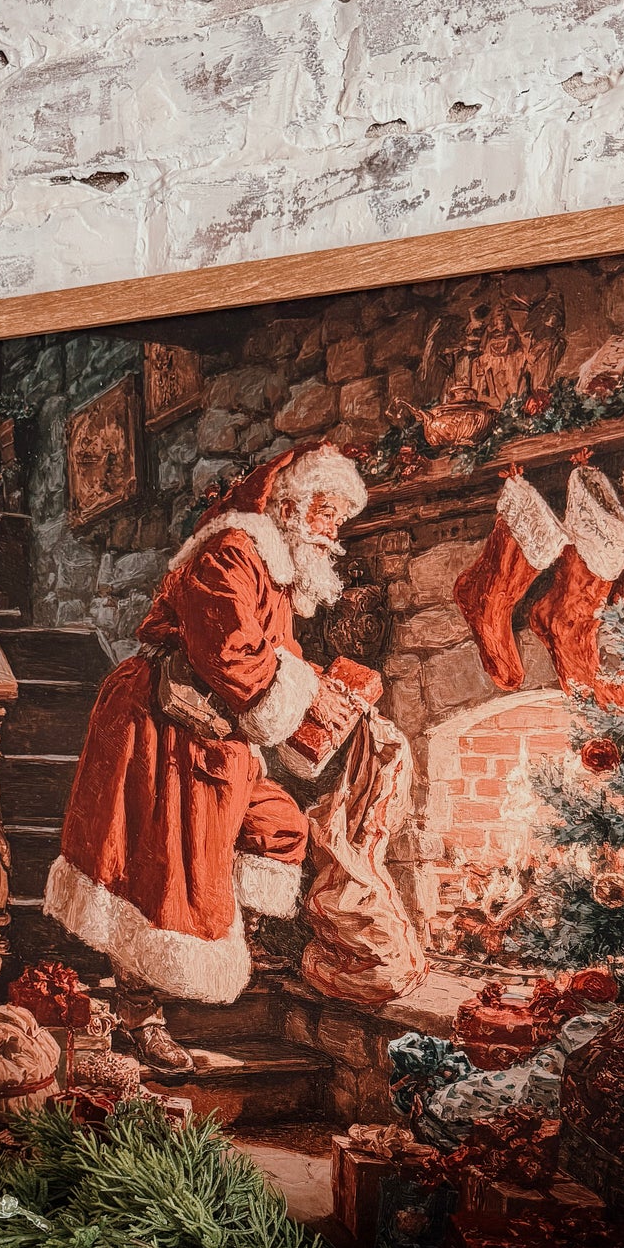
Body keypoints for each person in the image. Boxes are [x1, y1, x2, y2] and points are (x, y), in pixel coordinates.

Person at [44, 442, 369, 1077]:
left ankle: (225, 948)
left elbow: (275, 665)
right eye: (327, 514)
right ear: (293, 506)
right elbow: (229, 652)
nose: (333, 532)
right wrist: (304, 691)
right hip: (159, 729)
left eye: (338, 520)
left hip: (216, 735)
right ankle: (141, 1016)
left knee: (280, 829)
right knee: (156, 873)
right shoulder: (233, 552)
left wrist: (327, 701)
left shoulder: (276, 574)